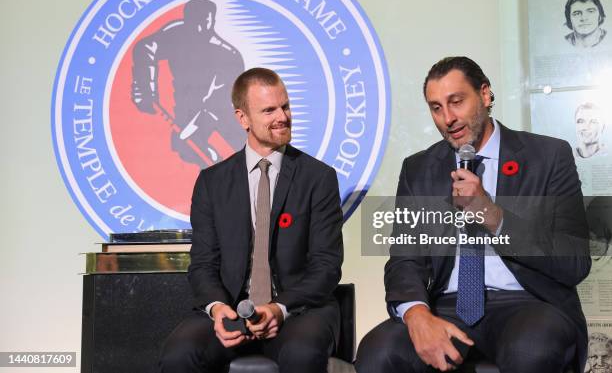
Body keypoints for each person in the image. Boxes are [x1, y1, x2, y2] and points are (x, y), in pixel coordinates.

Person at [355, 56, 591, 373]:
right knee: (378, 352)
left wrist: (491, 214)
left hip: (527, 303)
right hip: (445, 307)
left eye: (456, 102)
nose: (448, 118)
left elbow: (574, 260)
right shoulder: (419, 168)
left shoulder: (547, 156)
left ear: (485, 95)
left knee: (531, 349)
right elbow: (404, 259)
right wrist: (416, 314)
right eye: (436, 108)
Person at [158, 67, 344, 373]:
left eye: (285, 106)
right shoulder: (211, 182)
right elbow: (203, 264)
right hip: (230, 308)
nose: (282, 116)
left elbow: (326, 265)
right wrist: (217, 309)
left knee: (302, 354)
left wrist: (278, 308)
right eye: (269, 110)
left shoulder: (318, 178)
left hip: (298, 311)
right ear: (242, 118)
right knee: (179, 355)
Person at [131, 0, 246, 165]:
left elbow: (214, 104)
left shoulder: (229, 55)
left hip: (221, 112)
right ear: (187, 20)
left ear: (212, 20)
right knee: (186, 148)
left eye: (204, 22)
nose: (199, 28)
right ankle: (215, 169)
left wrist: (189, 131)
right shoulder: (176, 35)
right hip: (185, 110)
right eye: (194, 22)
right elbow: (145, 48)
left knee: (244, 145)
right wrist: (146, 88)